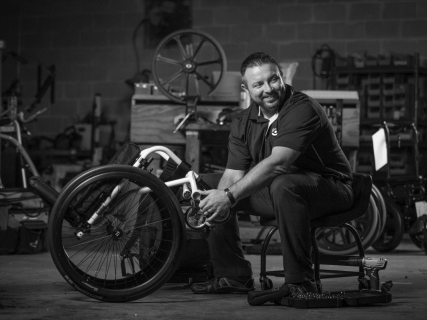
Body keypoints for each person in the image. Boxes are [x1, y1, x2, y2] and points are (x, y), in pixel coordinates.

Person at [190, 52, 355, 294]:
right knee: (207, 185)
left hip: (331, 189)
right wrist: (218, 199)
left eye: (273, 79)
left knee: (283, 184)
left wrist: (228, 197)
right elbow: (232, 175)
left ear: (282, 78)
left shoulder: (302, 109)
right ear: (246, 89)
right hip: (281, 190)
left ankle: (300, 282)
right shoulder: (242, 123)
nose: (269, 89)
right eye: (258, 84)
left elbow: (279, 163)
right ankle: (233, 275)